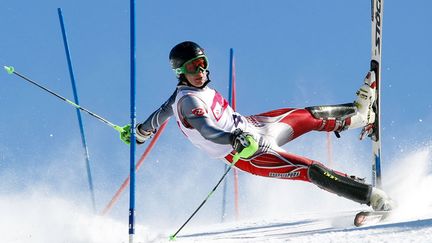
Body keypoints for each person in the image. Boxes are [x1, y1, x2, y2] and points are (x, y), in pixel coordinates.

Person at [121, 41, 394, 211]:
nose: (201, 72)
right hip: (247, 152)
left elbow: (159, 114)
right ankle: (371, 197)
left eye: (202, 64)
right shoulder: (188, 103)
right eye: (193, 68)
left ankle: (360, 116)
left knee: (306, 115)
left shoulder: (178, 96)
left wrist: (141, 132)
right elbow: (207, 130)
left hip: (253, 126)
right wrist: (233, 139)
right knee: (307, 169)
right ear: (181, 73)